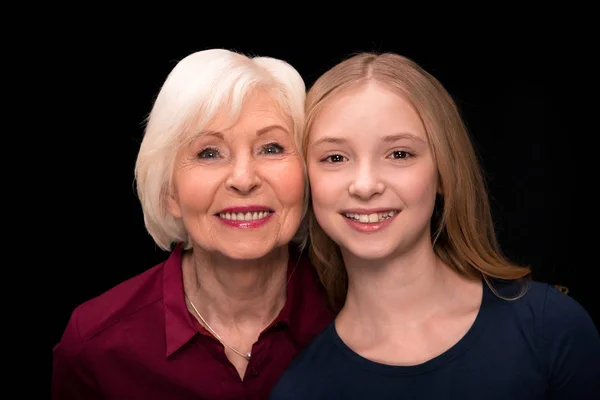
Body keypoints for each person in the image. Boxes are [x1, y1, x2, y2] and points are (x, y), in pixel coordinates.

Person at [270, 52, 600, 399]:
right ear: (307, 181)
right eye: (335, 158)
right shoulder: (301, 387)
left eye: (399, 154)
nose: (365, 185)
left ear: (443, 171)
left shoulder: (550, 327)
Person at [51, 48, 333, 399]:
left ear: (306, 177)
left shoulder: (356, 316)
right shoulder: (95, 344)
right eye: (209, 153)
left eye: (272, 148)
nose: (244, 179)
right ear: (170, 192)